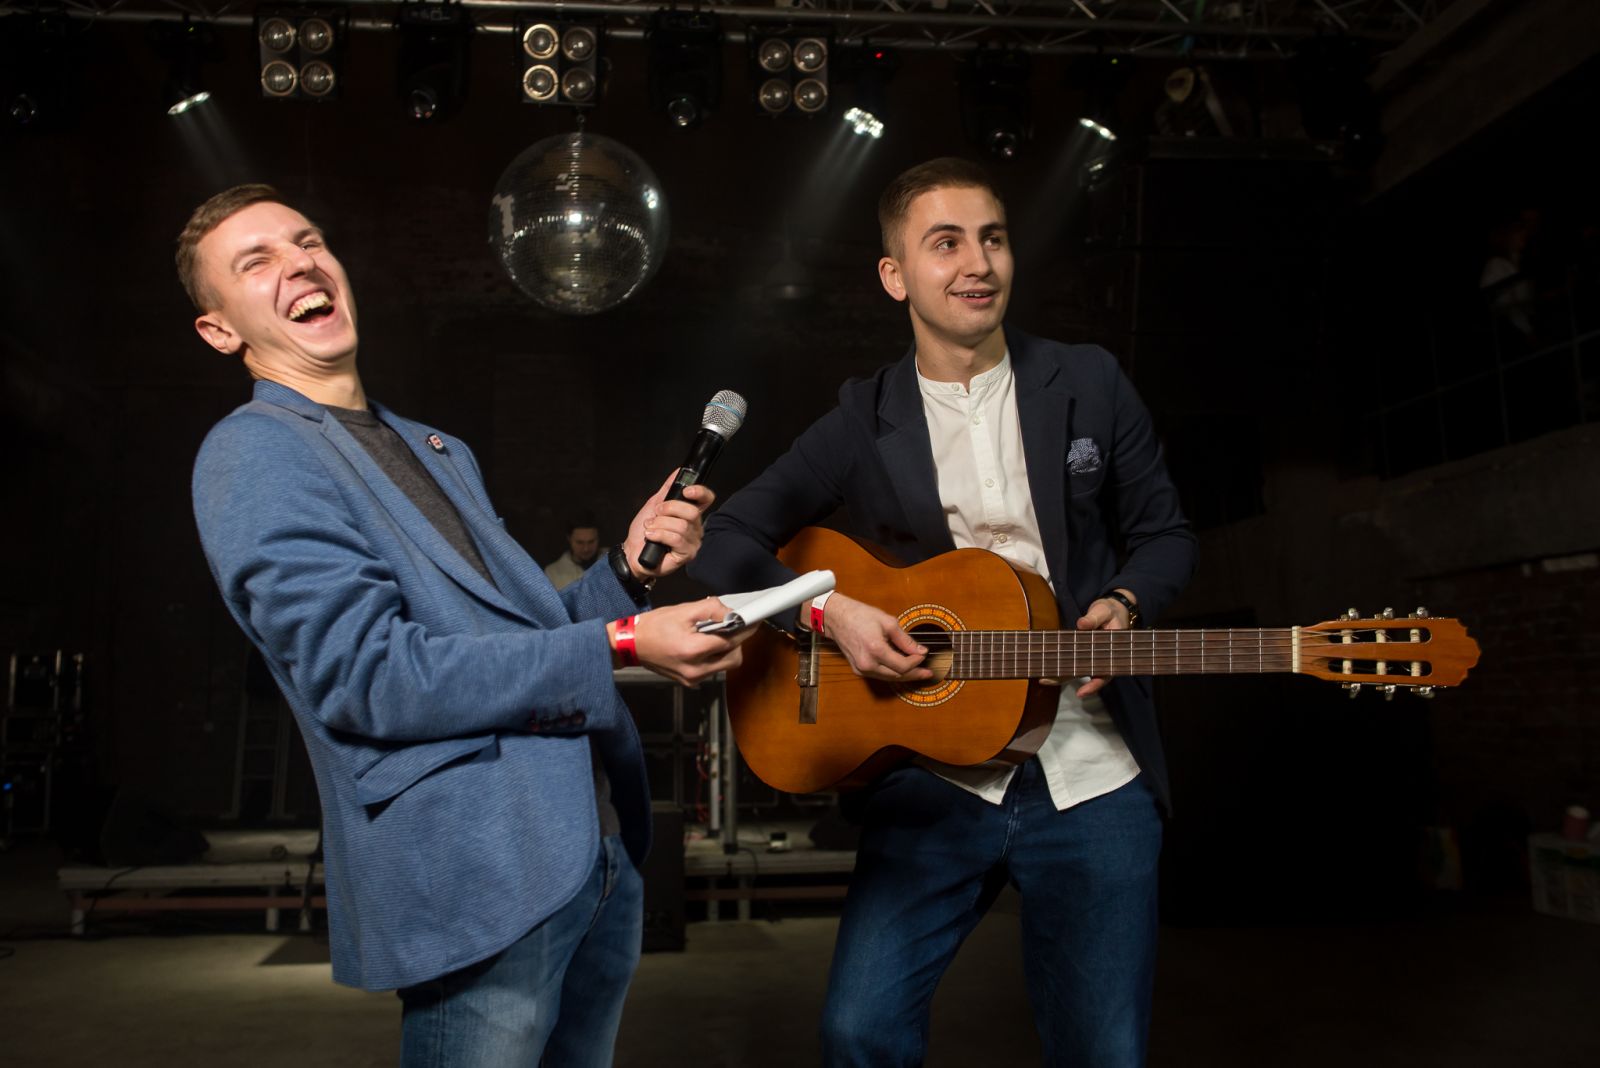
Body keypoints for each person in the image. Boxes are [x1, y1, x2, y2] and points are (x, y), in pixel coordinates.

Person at [181, 184, 747, 1067]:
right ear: (221, 331)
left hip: (590, 850)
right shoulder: (257, 451)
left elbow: (516, 644)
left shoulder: (436, 449)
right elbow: (370, 679)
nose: (300, 264)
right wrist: (625, 644)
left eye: (308, 240)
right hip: (482, 873)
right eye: (258, 262)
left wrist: (627, 574)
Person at [689, 157, 1197, 1066]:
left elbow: (1166, 536)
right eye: (947, 243)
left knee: (1103, 1053)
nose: (978, 263)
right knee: (859, 1031)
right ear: (896, 276)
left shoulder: (1089, 381)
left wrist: (1125, 600)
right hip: (935, 777)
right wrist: (830, 614)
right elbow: (725, 536)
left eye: (993, 239)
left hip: (1091, 769)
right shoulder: (863, 419)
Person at [545, 516, 603, 590]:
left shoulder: (613, 562)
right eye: (580, 542)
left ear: (598, 538)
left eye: (591, 542)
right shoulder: (552, 573)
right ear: (569, 539)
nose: (586, 549)